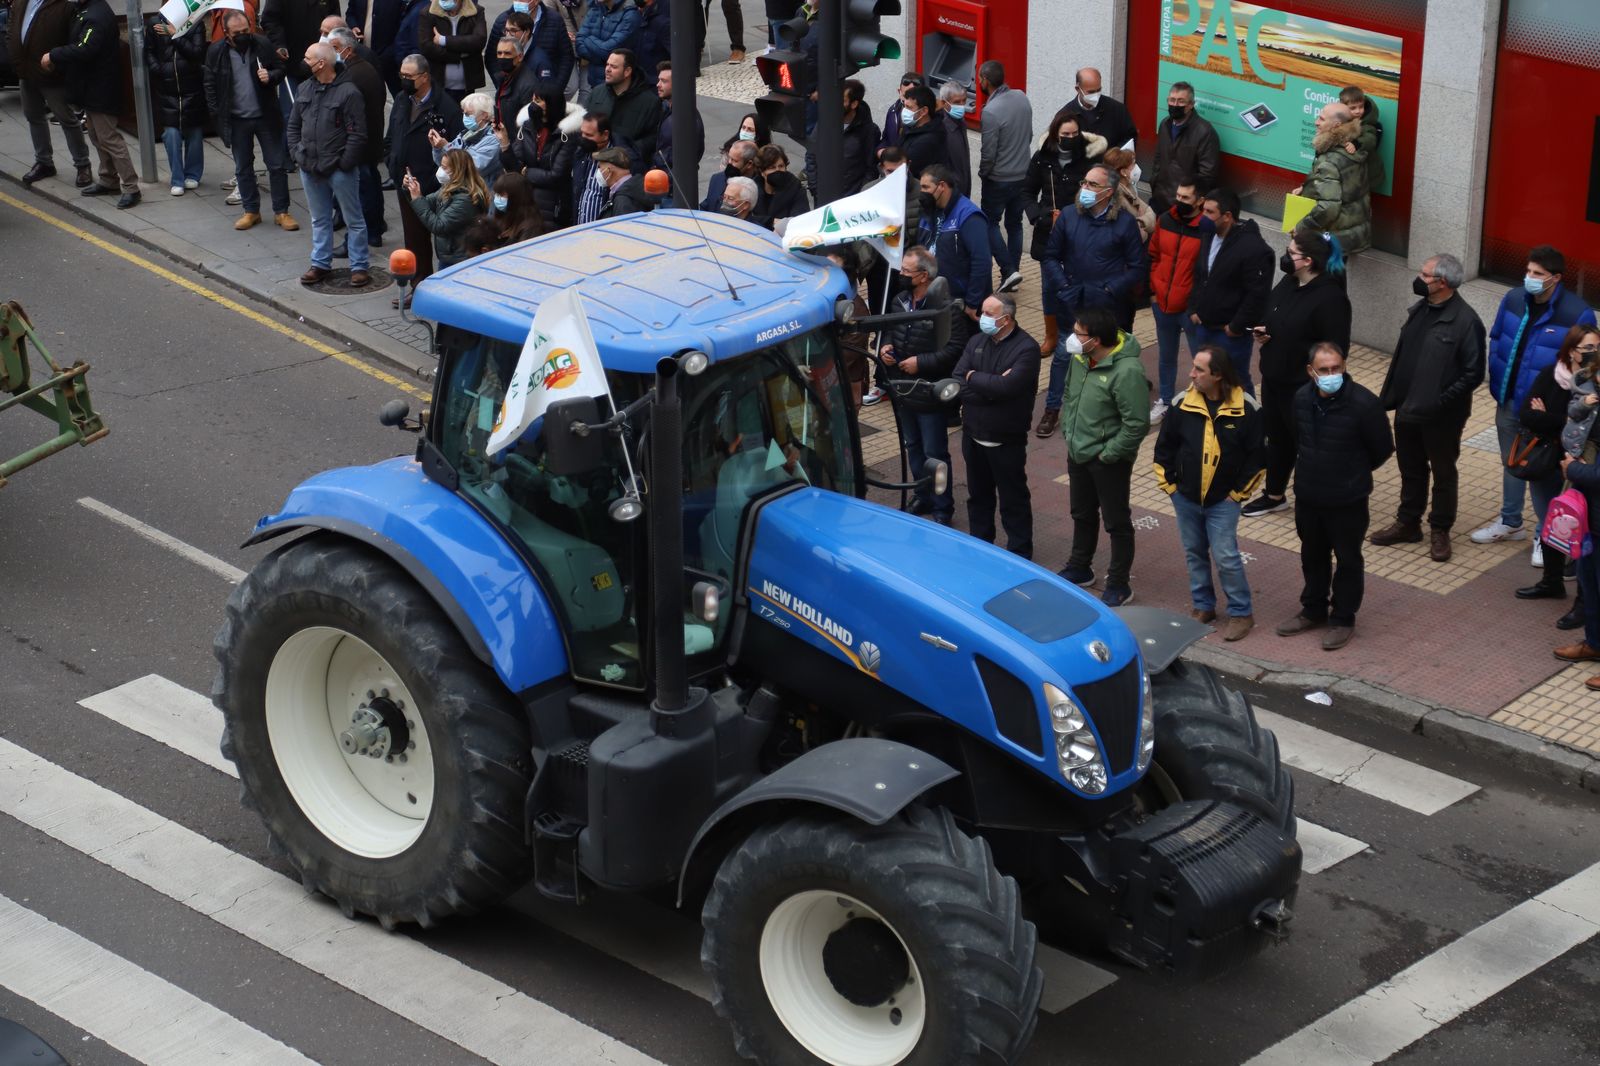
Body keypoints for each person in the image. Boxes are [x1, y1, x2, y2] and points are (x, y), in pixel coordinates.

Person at [1473, 244, 1599, 546]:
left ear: (1555, 278)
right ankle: (1510, 521)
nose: (1529, 277)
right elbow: (1498, 338)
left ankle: (1548, 536)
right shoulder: (1514, 299)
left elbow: (1587, 365)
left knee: (1546, 472)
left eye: (1537, 273)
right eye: (1528, 271)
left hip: (1548, 410)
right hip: (1509, 400)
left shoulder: (1575, 311)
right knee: (1514, 461)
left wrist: (1567, 407)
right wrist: (1497, 382)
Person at [1276, 342, 1394, 651]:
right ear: (1311, 372)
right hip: (1309, 495)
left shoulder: (1364, 404)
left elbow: (1381, 448)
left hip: (1347, 499)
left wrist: (1351, 471)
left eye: (1337, 368)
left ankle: (1343, 618)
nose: (1332, 375)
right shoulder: (1301, 398)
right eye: (1325, 370)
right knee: (1312, 555)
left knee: (1348, 559)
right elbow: (1297, 437)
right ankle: (1313, 609)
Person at [1370, 254, 1486, 561]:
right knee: (1410, 467)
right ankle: (1408, 523)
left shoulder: (1466, 322)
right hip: (1408, 407)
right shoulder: (1420, 309)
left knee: (1443, 472)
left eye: (1425, 275)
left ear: (1443, 283)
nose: (1419, 279)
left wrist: (1440, 401)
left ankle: (1440, 529)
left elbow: (1473, 373)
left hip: (1441, 416)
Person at [1153, 343, 1265, 639]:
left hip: (1224, 502)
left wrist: (1238, 495)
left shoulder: (1248, 410)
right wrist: (1171, 487)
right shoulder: (1181, 404)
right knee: (1194, 552)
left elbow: (1258, 459)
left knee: (1226, 555)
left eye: (1198, 370)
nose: (1191, 375)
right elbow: (1164, 448)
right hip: (1185, 498)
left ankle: (1241, 613)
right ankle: (1204, 606)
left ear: (1217, 375)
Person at [1241, 228, 1350, 517]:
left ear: (1309, 261)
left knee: (1308, 446)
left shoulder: (1330, 298)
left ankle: (1315, 499)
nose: (1286, 257)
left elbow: (1335, 348)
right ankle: (1275, 494)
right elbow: (1273, 314)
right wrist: (1265, 331)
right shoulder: (1290, 283)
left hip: (1303, 388)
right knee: (1277, 439)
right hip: (1275, 378)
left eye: (1292, 253)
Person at [1035, 163, 1146, 438]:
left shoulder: (1124, 223)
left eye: (1092, 185)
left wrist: (1110, 289)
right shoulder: (1069, 216)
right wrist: (1063, 285)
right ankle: (1052, 409)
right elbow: (1050, 257)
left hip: (1109, 307)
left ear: (1108, 192)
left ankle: (1112, 409)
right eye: (1084, 182)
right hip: (1073, 302)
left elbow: (1137, 267)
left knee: (1112, 359)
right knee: (1064, 353)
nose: (1084, 188)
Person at [1056, 306, 1150, 606]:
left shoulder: (1127, 371)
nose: (1072, 338)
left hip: (1108, 461)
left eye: (1078, 333)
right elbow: (1070, 395)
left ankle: (1119, 583)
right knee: (1081, 513)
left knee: (1116, 522)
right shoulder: (1081, 358)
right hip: (1078, 450)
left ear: (1095, 340)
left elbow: (1136, 423)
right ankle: (1080, 566)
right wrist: (1070, 434)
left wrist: (1110, 454)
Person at [878, 246, 974, 525]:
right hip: (903, 390)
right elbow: (889, 328)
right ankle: (923, 495)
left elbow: (955, 348)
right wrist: (885, 345)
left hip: (929, 392)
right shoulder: (899, 300)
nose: (901, 275)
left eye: (906, 272)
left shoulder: (946, 310)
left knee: (935, 452)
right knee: (913, 446)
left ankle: (943, 507)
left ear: (923, 276)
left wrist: (922, 362)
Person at [1515, 325, 1600, 609]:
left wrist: (1551, 417)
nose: (1593, 353)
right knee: (1548, 521)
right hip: (1546, 461)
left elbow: (1588, 428)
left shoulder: (1592, 383)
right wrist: (1563, 420)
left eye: (1596, 347)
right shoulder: (1552, 375)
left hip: (1577, 464)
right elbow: (1527, 414)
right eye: (1587, 348)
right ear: (1571, 350)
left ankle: (1581, 596)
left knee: (1578, 523)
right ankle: (1551, 582)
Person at [953, 294, 1041, 558]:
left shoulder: (1027, 349)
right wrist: (988, 387)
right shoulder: (977, 341)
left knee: (1013, 499)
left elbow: (1008, 388)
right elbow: (958, 380)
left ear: (1006, 319)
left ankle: (1020, 552)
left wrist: (975, 379)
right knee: (978, 496)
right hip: (973, 433)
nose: (983, 319)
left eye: (990, 314)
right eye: (982, 312)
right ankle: (981, 546)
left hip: (1006, 438)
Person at [205, 12, 299, 231]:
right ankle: (251, 211)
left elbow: (281, 68)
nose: (242, 36)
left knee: (276, 165)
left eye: (245, 31)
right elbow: (210, 83)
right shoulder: (216, 52)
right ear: (226, 33)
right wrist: (216, 113)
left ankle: (281, 211)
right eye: (237, 33)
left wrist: (271, 76)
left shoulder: (262, 44)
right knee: (243, 167)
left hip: (265, 116)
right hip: (237, 119)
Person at [1022, 110, 1104, 357]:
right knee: (1049, 287)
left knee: (1079, 286)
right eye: (1065, 134)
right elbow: (1027, 192)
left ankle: (1079, 333)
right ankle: (1051, 335)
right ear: (1055, 135)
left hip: (1080, 234)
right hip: (1049, 233)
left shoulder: (1090, 159)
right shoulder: (1042, 158)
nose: (1070, 138)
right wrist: (1039, 215)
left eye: (1075, 134)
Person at [289, 42, 370, 286]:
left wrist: (344, 164)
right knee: (319, 218)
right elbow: (293, 126)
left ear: (321, 63)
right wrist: (298, 155)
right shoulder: (304, 88)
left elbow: (357, 134)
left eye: (307, 58)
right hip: (309, 166)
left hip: (338, 169)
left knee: (353, 219)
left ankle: (359, 266)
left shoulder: (349, 93)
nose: (303, 62)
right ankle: (320, 263)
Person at [47, 0, 139, 208]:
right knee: (98, 136)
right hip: (91, 88)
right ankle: (108, 179)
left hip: (101, 89)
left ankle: (131, 187)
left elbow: (85, 48)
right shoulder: (86, 10)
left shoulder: (95, 16)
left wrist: (54, 54)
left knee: (109, 138)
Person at [386, 53, 463, 291]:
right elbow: (392, 135)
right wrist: (393, 163)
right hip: (406, 182)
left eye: (409, 76)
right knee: (414, 239)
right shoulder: (402, 99)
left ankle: (444, 286)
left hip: (434, 185)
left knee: (443, 238)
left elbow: (456, 150)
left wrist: (434, 180)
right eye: (402, 75)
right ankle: (418, 284)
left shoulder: (446, 108)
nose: (404, 80)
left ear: (425, 77)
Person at [1188, 187, 1273, 396]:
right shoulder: (1208, 234)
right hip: (1204, 325)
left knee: (1237, 380)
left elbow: (1257, 293)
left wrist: (1236, 326)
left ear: (1227, 216)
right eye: (1203, 210)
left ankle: (1248, 421)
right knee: (1207, 379)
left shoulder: (1253, 248)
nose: (1203, 217)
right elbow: (1201, 276)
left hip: (1229, 334)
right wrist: (1194, 309)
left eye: (1209, 212)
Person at [12, 0, 94, 188]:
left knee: (67, 118)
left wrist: (59, 66)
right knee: (34, 117)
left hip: (51, 73)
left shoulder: (63, 5)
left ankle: (82, 164)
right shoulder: (20, 3)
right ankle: (44, 162)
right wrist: (16, 58)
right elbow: (12, 29)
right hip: (26, 71)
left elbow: (72, 36)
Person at [1146, 179, 1206, 421]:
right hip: (1163, 302)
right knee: (1166, 356)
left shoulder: (1206, 228)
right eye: (1178, 196)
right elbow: (1154, 253)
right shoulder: (1166, 220)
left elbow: (1207, 270)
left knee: (1200, 358)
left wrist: (1197, 304)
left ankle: (1203, 402)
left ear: (1200, 201)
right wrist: (1154, 289)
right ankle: (1166, 400)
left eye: (1185, 198)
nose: (1178, 202)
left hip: (1190, 308)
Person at [975, 59, 1031, 295]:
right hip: (1023, 175)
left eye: (979, 79)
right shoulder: (1022, 97)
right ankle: (1013, 272)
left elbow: (989, 152)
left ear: (985, 81)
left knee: (989, 223)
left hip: (998, 179)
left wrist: (983, 173)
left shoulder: (990, 111)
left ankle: (1008, 271)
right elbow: (1027, 136)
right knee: (1015, 224)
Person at [329, 27, 387, 248]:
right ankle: (375, 229)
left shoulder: (352, 75)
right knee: (371, 184)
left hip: (359, 145)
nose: (331, 52)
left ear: (348, 49)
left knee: (361, 193)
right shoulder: (362, 68)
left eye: (334, 48)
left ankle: (361, 238)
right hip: (369, 141)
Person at [145, 15, 209, 196]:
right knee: (171, 133)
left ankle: (193, 175)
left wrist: (176, 34)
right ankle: (177, 178)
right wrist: (157, 69)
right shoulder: (154, 23)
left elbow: (197, 53)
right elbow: (148, 50)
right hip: (167, 88)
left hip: (191, 87)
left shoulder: (195, 23)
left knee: (194, 133)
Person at [1296, 102, 1371, 256]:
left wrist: (1301, 227)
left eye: (1322, 119)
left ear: (1336, 125)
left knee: (1324, 278)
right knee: (1335, 276)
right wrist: (1307, 188)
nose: (1316, 122)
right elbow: (1344, 188)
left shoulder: (1330, 161)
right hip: (1350, 235)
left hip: (1330, 238)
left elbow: (1328, 208)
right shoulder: (1353, 148)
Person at [498, 88, 580, 228]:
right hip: (526, 200)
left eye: (537, 101)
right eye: (532, 100)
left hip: (553, 204)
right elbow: (514, 165)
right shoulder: (528, 126)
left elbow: (556, 175)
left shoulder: (567, 135)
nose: (532, 105)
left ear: (551, 104)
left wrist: (525, 172)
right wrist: (505, 144)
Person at [916, 164, 991, 315]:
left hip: (959, 303)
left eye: (926, 187)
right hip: (932, 297)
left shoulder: (969, 216)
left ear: (941, 186)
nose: (922, 192)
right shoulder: (927, 212)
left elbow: (982, 261)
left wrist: (972, 303)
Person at [404, 146, 489, 267]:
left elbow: (439, 226)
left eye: (444, 167)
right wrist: (410, 190)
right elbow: (426, 203)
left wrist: (417, 198)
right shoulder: (449, 188)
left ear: (457, 171)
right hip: (450, 256)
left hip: (460, 260)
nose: (440, 170)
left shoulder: (465, 200)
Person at [584, 48, 661, 174]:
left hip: (626, 170)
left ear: (627, 71)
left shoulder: (650, 102)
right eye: (607, 64)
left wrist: (628, 153)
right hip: (592, 164)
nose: (607, 69)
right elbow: (584, 123)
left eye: (613, 66)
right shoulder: (597, 93)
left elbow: (653, 138)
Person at [1150, 81, 1218, 216]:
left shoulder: (1205, 132)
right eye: (1172, 100)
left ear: (1191, 104)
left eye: (1181, 101)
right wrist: (1154, 181)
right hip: (1159, 199)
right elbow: (1159, 158)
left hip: (1183, 204)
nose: (1175, 105)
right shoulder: (1165, 124)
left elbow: (1207, 175)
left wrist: (1190, 202)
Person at [486, 1, 571, 93]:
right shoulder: (502, 20)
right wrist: (503, 86)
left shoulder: (554, 20)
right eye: (506, 30)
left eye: (513, 30)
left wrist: (555, 90)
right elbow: (491, 58)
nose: (519, 2)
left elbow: (566, 56)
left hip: (544, 88)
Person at [571, 112, 636, 224]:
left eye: (589, 135)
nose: (583, 138)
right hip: (580, 229)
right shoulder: (581, 153)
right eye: (582, 133)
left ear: (605, 135)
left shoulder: (621, 161)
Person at [432, 89, 501, 185]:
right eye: (463, 113)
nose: (464, 117)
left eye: (468, 114)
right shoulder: (465, 134)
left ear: (484, 115)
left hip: (482, 193)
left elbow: (473, 167)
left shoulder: (494, 139)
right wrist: (438, 148)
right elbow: (443, 163)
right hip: (462, 190)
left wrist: (447, 147)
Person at [1060, 67, 1137, 154]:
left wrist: (1115, 157)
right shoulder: (1065, 115)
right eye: (1091, 92)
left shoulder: (1117, 109)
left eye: (1099, 90)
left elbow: (1130, 138)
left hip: (1112, 165)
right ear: (1078, 89)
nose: (1096, 95)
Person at [575, 0, 639, 91]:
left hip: (619, 86)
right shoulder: (596, 7)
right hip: (595, 83)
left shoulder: (630, 13)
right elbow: (579, 43)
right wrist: (601, 57)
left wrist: (588, 38)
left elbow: (608, 51)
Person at [654, 61, 703, 175]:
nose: (658, 84)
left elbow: (685, 156)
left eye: (664, 81)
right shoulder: (667, 108)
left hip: (673, 179)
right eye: (659, 80)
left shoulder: (686, 118)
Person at [488, 23, 539, 129]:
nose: (502, 57)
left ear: (520, 56)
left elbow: (528, 124)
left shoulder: (528, 85)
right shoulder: (504, 77)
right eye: (499, 53)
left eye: (507, 53)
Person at [1101, 146, 1155, 245]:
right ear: (1123, 172)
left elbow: (1149, 211)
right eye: (1133, 164)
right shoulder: (1116, 197)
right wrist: (1143, 222)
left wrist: (1142, 222)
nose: (1136, 168)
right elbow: (1130, 232)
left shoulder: (1129, 188)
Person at [751, 143, 807, 230]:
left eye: (781, 166)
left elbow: (800, 221)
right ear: (762, 171)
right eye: (772, 167)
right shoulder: (751, 188)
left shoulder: (796, 188)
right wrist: (771, 221)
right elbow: (743, 217)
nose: (777, 171)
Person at [840, 79, 880, 196]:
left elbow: (871, 168)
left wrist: (859, 195)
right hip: (824, 194)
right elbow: (812, 155)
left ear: (854, 104)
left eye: (842, 100)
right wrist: (815, 187)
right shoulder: (826, 120)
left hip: (851, 197)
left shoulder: (869, 131)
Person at [899, 84, 949, 179]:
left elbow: (905, 168)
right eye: (904, 106)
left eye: (909, 107)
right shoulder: (911, 127)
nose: (904, 111)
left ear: (924, 111)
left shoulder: (929, 140)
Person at [592, 145, 654, 218]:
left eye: (600, 167)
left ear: (609, 170)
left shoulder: (623, 200)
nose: (598, 171)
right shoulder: (635, 188)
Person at [700, 138, 758, 213]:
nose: (730, 162)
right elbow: (707, 205)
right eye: (729, 158)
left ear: (749, 164)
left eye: (735, 160)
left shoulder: (757, 189)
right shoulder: (717, 179)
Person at [936, 81, 972, 198]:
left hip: (962, 188)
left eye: (964, 100)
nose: (961, 105)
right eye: (957, 102)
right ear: (943, 103)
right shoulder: (940, 128)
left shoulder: (960, 122)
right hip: (950, 193)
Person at [490, 170, 544, 244]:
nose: (497, 198)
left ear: (515, 197)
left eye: (501, 195)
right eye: (497, 194)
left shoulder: (531, 227)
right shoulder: (503, 215)